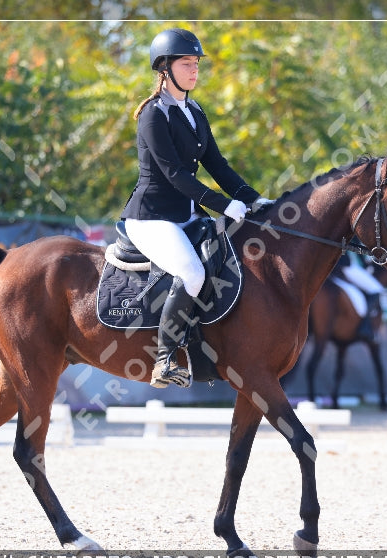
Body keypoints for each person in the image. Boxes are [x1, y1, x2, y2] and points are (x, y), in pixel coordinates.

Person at [119, 28, 273, 388]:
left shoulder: (195, 111)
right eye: (187, 64)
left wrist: (252, 198)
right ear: (165, 68)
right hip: (152, 217)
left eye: (196, 65)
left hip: (187, 215)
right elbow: (174, 175)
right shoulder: (153, 115)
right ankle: (164, 359)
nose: (194, 71)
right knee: (192, 274)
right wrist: (223, 205)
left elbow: (217, 164)